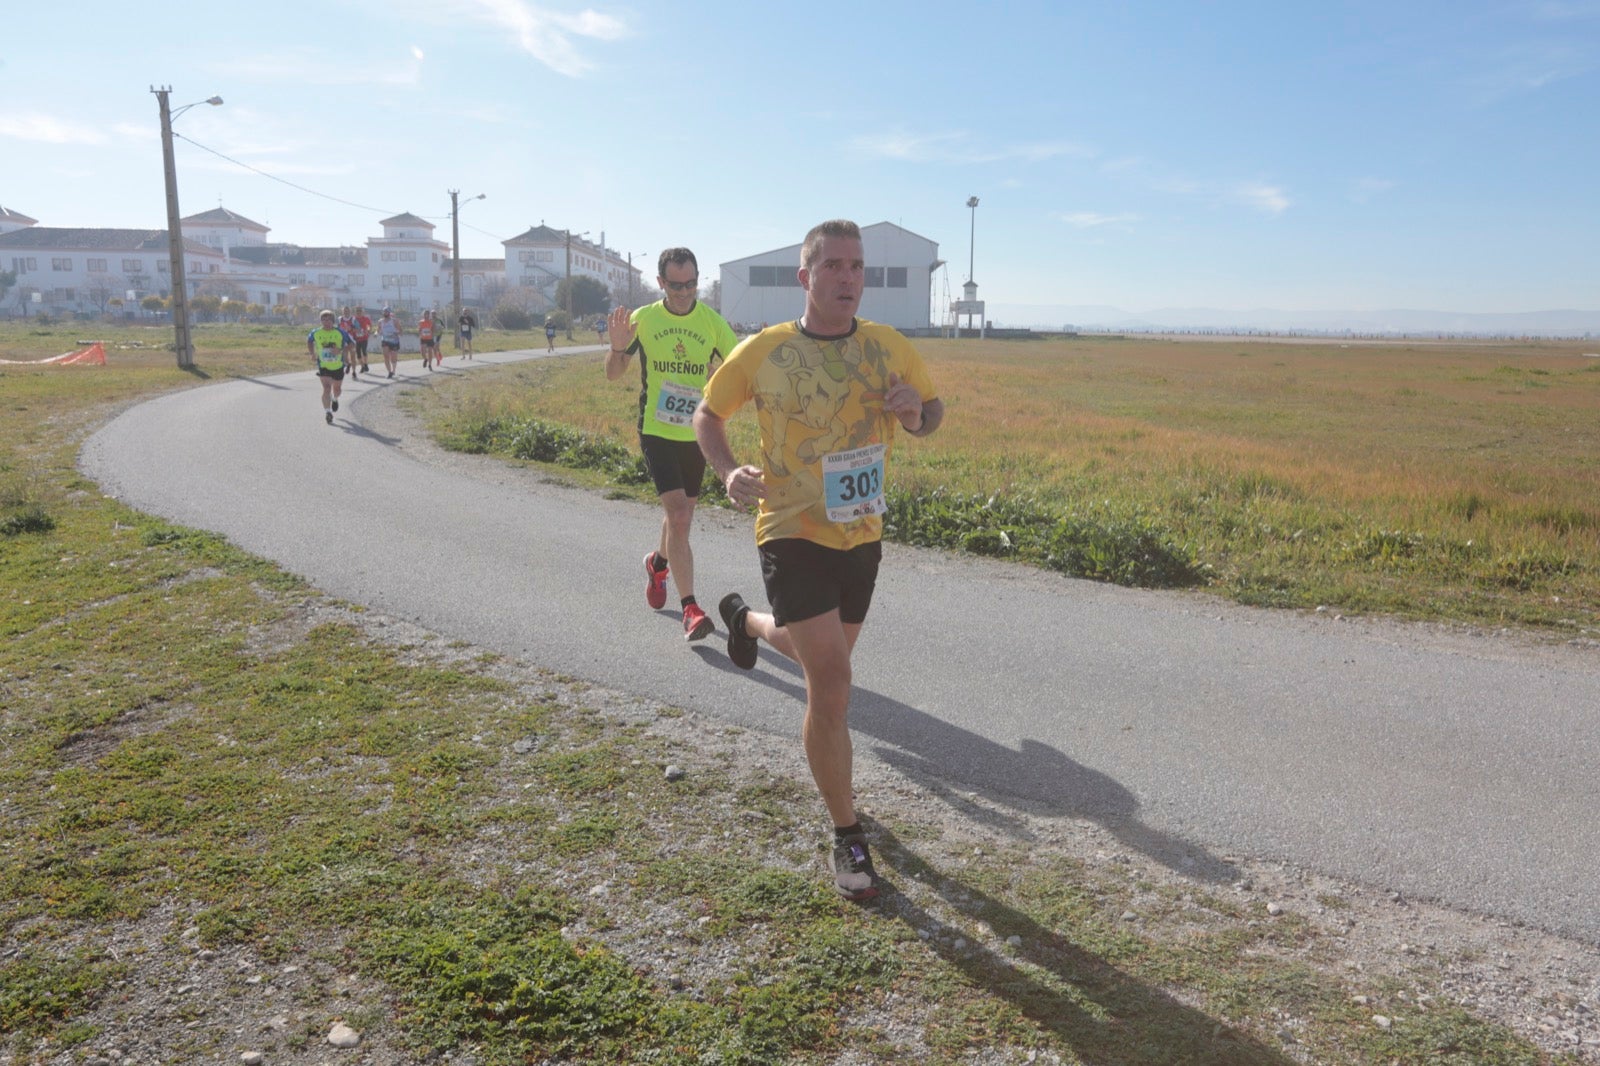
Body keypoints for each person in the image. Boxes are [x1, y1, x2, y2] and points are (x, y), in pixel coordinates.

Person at [693, 219, 944, 901]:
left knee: (817, 658)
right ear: (805, 278)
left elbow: (932, 412)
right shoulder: (764, 350)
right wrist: (725, 473)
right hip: (789, 529)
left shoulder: (887, 348)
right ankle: (847, 834)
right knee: (831, 685)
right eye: (832, 266)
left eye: (857, 266)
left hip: (861, 536)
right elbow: (706, 416)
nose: (847, 278)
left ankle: (744, 623)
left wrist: (914, 412)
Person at [608, 248, 738, 642]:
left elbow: (739, 368)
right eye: (676, 285)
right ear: (661, 282)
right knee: (679, 517)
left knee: (680, 517)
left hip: (696, 433)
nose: (684, 292)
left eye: (691, 283)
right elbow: (613, 375)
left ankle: (658, 563)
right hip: (657, 429)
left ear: (698, 279)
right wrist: (617, 348)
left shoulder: (712, 323)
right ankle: (691, 609)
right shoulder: (643, 320)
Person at [308, 309, 355, 424]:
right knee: (326, 388)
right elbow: (309, 341)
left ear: (333, 321)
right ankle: (328, 412)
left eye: (328, 319)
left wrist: (340, 350)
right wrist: (312, 353)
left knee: (337, 390)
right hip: (323, 365)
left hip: (338, 365)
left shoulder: (341, 332)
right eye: (323, 319)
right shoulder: (316, 332)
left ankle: (334, 399)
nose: (326, 322)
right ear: (320, 321)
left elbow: (352, 344)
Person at [376, 306, 403, 378]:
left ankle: (393, 370)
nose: (385, 313)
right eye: (384, 311)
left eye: (387, 311)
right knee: (385, 356)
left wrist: (397, 333)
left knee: (393, 357)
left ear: (389, 312)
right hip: (385, 340)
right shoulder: (380, 321)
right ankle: (389, 372)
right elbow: (378, 330)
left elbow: (400, 330)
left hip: (394, 341)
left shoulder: (394, 321)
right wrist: (376, 333)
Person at [351, 306, 373, 373]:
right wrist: (355, 330)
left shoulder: (366, 318)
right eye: (357, 311)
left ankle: (365, 364)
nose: (359, 312)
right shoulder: (353, 319)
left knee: (364, 351)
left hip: (364, 338)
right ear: (355, 312)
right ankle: (362, 366)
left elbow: (369, 326)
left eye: (360, 311)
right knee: (358, 354)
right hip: (356, 339)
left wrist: (368, 331)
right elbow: (351, 328)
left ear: (362, 312)